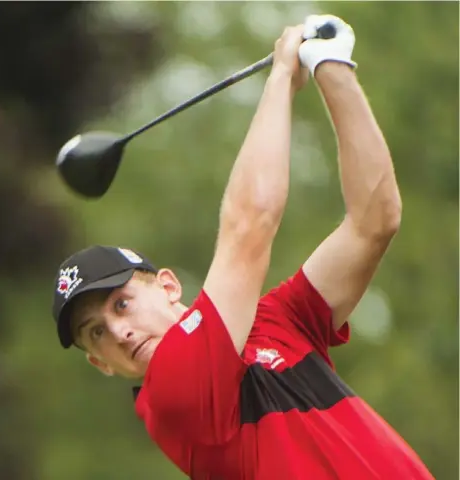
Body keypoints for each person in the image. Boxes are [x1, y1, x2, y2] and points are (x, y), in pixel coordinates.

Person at [51, 15, 434, 480]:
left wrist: (331, 66)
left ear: (169, 286)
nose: (119, 332)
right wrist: (281, 80)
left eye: (122, 303)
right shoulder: (172, 394)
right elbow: (249, 226)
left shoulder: (277, 322)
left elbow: (375, 221)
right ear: (100, 364)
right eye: (96, 333)